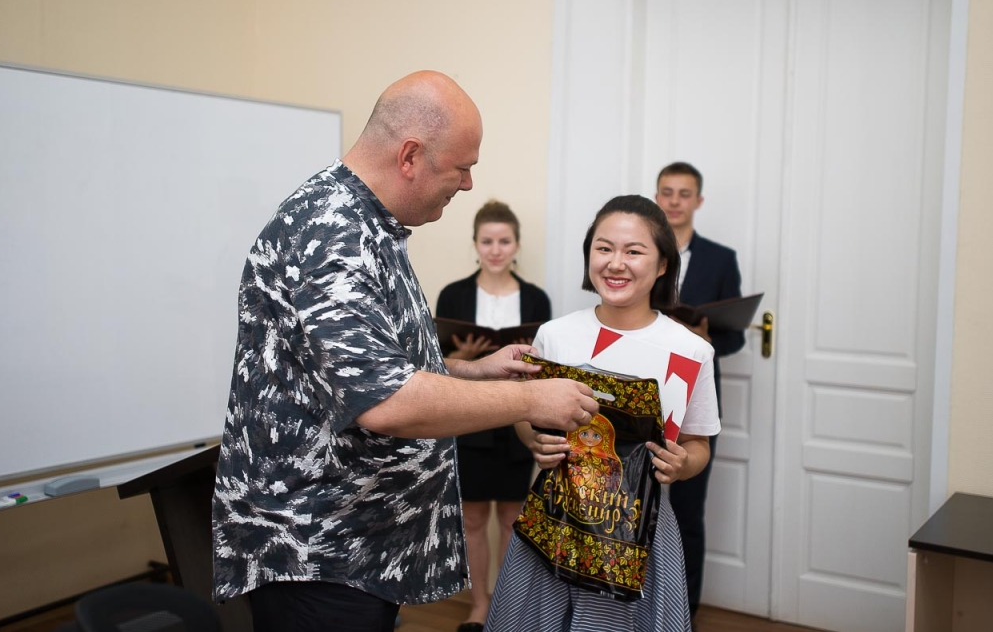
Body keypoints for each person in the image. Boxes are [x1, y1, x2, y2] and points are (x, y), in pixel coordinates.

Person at [210, 71, 600, 632]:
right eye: (461, 166)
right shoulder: (332, 231)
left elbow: (377, 367)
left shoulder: (370, 225)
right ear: (411, 155)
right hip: (318, 554)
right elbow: (388, 400)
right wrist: (530, 400)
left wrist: (476, 372)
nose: (468, 184)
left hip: (357, 549)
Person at [485, 195, 721, 632]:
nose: (616, 263)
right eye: (604, 247)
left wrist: (683, 464)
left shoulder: (691, 351)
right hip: (553, 521)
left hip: (638, 529)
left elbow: (698, 446)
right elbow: (525, 412)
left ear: (663, 264)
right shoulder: (555, 335)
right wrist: (532, 439)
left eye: (633, 251)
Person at [435, 200, 552, 631]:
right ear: (475, 244)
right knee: (472, 517)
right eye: (488, 241)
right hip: (468, 416)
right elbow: (436, 360)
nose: (496, 249)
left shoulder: (536, 297)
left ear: (517, 244)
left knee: (511, 517)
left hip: (518, 416)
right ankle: (480, 604)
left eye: (504, 241)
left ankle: (507, 604)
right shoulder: (454, 294)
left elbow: (548, 363)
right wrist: (461, 356)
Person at [654, 161, 747, 629]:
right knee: (635, 505)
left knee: (689, 513)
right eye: (666, 192)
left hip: (696, 398)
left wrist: (705, 340)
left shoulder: (721, 258)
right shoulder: (641, 253)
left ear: (698, 201)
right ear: (656, 198)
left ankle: (683, 613)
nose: (674, 201)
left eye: (683, 193)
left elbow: (735, 339)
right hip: (644, 393)